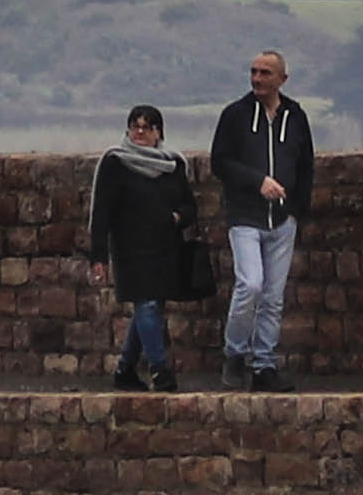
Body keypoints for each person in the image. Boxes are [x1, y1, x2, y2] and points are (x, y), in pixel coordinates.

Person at [208, 48, 318, 391]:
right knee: (250, 285)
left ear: (282, 79)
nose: (257, 78)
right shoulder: (236, 115)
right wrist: (257, 182)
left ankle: (264, 365)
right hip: (246, 216)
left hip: (282, 220)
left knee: (273, 296)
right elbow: (220, 162)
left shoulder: (295, 116)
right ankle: (235, 354)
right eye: (254, 71)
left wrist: (297, 210)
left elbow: (306, 165)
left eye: (265, 73)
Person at [85, 103, 208, 391]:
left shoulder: (173, 164)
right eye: (135, 126)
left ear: (158, 132)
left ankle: (125, 370)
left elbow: (188, 205)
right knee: (147, 304)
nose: (140, 132)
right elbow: (101, 212)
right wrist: (98, 257)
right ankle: (159, 371)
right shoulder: (115, 162)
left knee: (150, 308)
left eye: (147, 127)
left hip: (165, 245)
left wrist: (175, 218)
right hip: (130, 247)